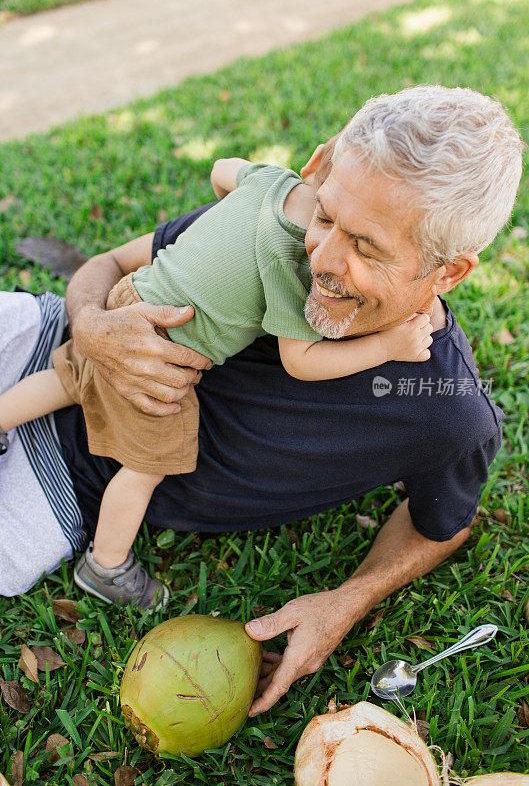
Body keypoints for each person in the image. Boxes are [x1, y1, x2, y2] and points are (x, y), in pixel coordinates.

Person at [0, 85, 523, 717]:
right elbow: (110, 262)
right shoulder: (277, 225)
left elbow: (443, 523)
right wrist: (89, 324)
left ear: (448, 271)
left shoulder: (445, 408)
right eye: (328, 218)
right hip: (42, 342)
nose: (321, 256)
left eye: (366, 247)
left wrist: (347, 599)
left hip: (60, 485)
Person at [0, 143, 434, 612]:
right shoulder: (294, 262)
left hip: (132, 301)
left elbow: (221, 170)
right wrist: (388, 347)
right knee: (148, 467)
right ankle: (106, 566)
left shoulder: (268, 181)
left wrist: (226, 224)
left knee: (68, 378)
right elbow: (301, 361)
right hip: (164, 355)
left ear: (313, 161)